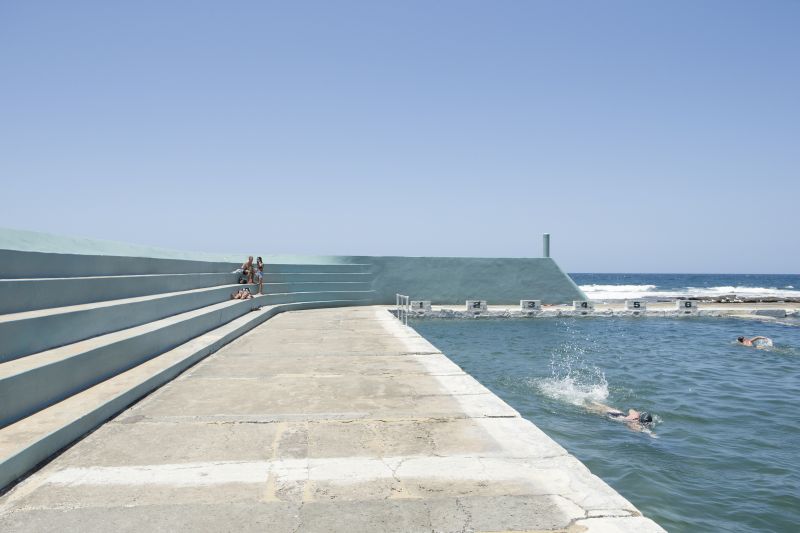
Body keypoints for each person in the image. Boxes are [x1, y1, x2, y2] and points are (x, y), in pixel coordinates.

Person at [586, 401, 653, 429]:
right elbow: (635, 430)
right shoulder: (633, 422)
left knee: (599, 406)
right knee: (588, 408)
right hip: (614, 415)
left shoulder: (634, 414)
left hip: (617, 412)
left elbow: (631, 410)